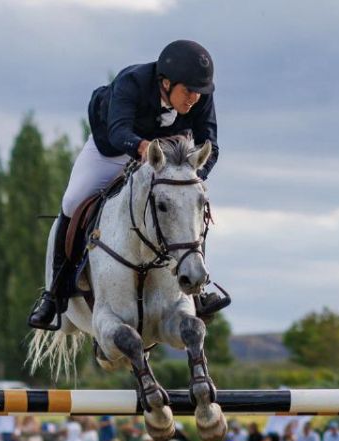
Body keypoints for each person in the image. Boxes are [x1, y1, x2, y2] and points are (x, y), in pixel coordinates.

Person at [27, 40, 225, 330]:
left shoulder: (200, 95)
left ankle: (197, 289)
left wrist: (192, 179)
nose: (194, 98)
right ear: (166, 83)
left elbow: (212, 145)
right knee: (71, 202)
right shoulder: (131, 81)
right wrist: (143, 147)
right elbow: (119, 130)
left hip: (167, 158)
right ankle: (54, 294)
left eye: (199, 92)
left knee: (188, 206)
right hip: (114, 148)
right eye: (188, 91)